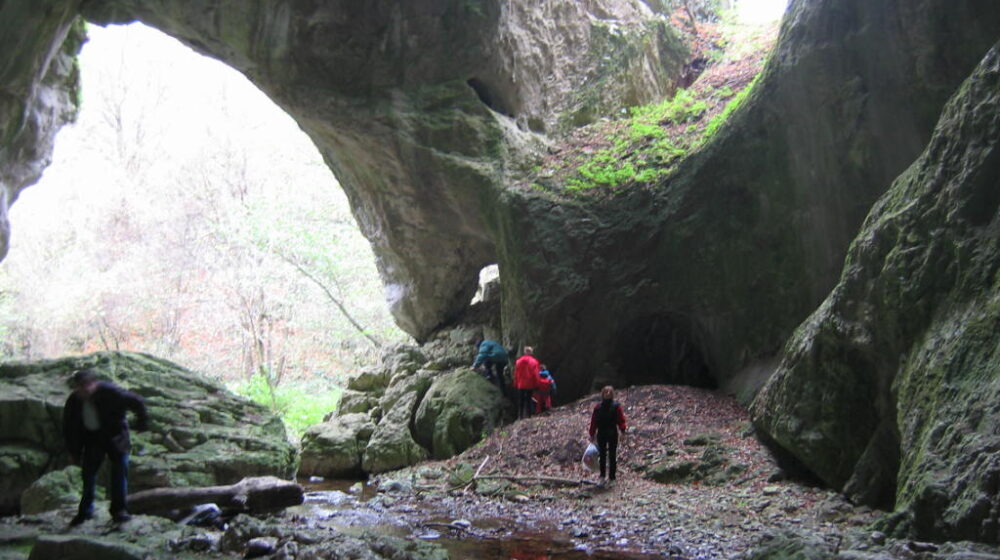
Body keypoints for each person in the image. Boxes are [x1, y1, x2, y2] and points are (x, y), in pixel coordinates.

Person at [63, 368, 149, 525]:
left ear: (93, 384)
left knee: (119, 474)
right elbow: (70, 428)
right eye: (79, 388)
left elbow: (137, 402)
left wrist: (141, 424)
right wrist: (73, 452)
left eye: (85, 387)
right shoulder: (74, 401)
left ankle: (119, 511)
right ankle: (85, 512)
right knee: (88, 476)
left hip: (115, 438)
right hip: (93, 440)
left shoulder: (111, 392)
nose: (82, 392)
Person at [588, 386, 627, 486]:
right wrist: (592, 434)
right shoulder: (598, 407)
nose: (608, 393)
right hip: (601, 433)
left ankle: (612, 478)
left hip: (612, 432)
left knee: (612, 455)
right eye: (606, 392)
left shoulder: (616, 406)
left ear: (612, 394)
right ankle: (602, 476)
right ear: (603, 394)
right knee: (602, 455)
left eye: (610, 392)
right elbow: (594, 422)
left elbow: (621, 420)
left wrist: (623, 431)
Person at [513, 346, 541, 419]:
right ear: (531, 353)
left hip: (520, 384)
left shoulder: (518, 361)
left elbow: (516, 373)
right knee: (529, 399)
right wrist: (537, 384)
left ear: (524, 352)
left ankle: (520, 415)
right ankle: (529, 415)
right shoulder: (534, 362)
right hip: (530, 384)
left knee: (521, 399)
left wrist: (515, 383)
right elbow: (536, 374)